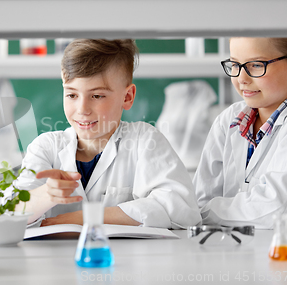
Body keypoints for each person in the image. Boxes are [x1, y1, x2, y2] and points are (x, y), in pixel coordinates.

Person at [15, 39, 201, 228]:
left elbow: (181, 210)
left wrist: (79, 219)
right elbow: (8, 213)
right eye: (72, 95)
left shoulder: (144, 139)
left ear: (127, 97)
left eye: (97, 96)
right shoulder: (46, 147)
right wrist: (46, 194)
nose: (82, 109)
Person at [193, 37, 287, 229]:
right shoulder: (228, 120)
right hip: (230, 251)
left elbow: (276, 207)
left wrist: (207, 212)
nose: (241, 79)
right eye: (235, 65)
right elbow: (199, 198)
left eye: (256, 65)